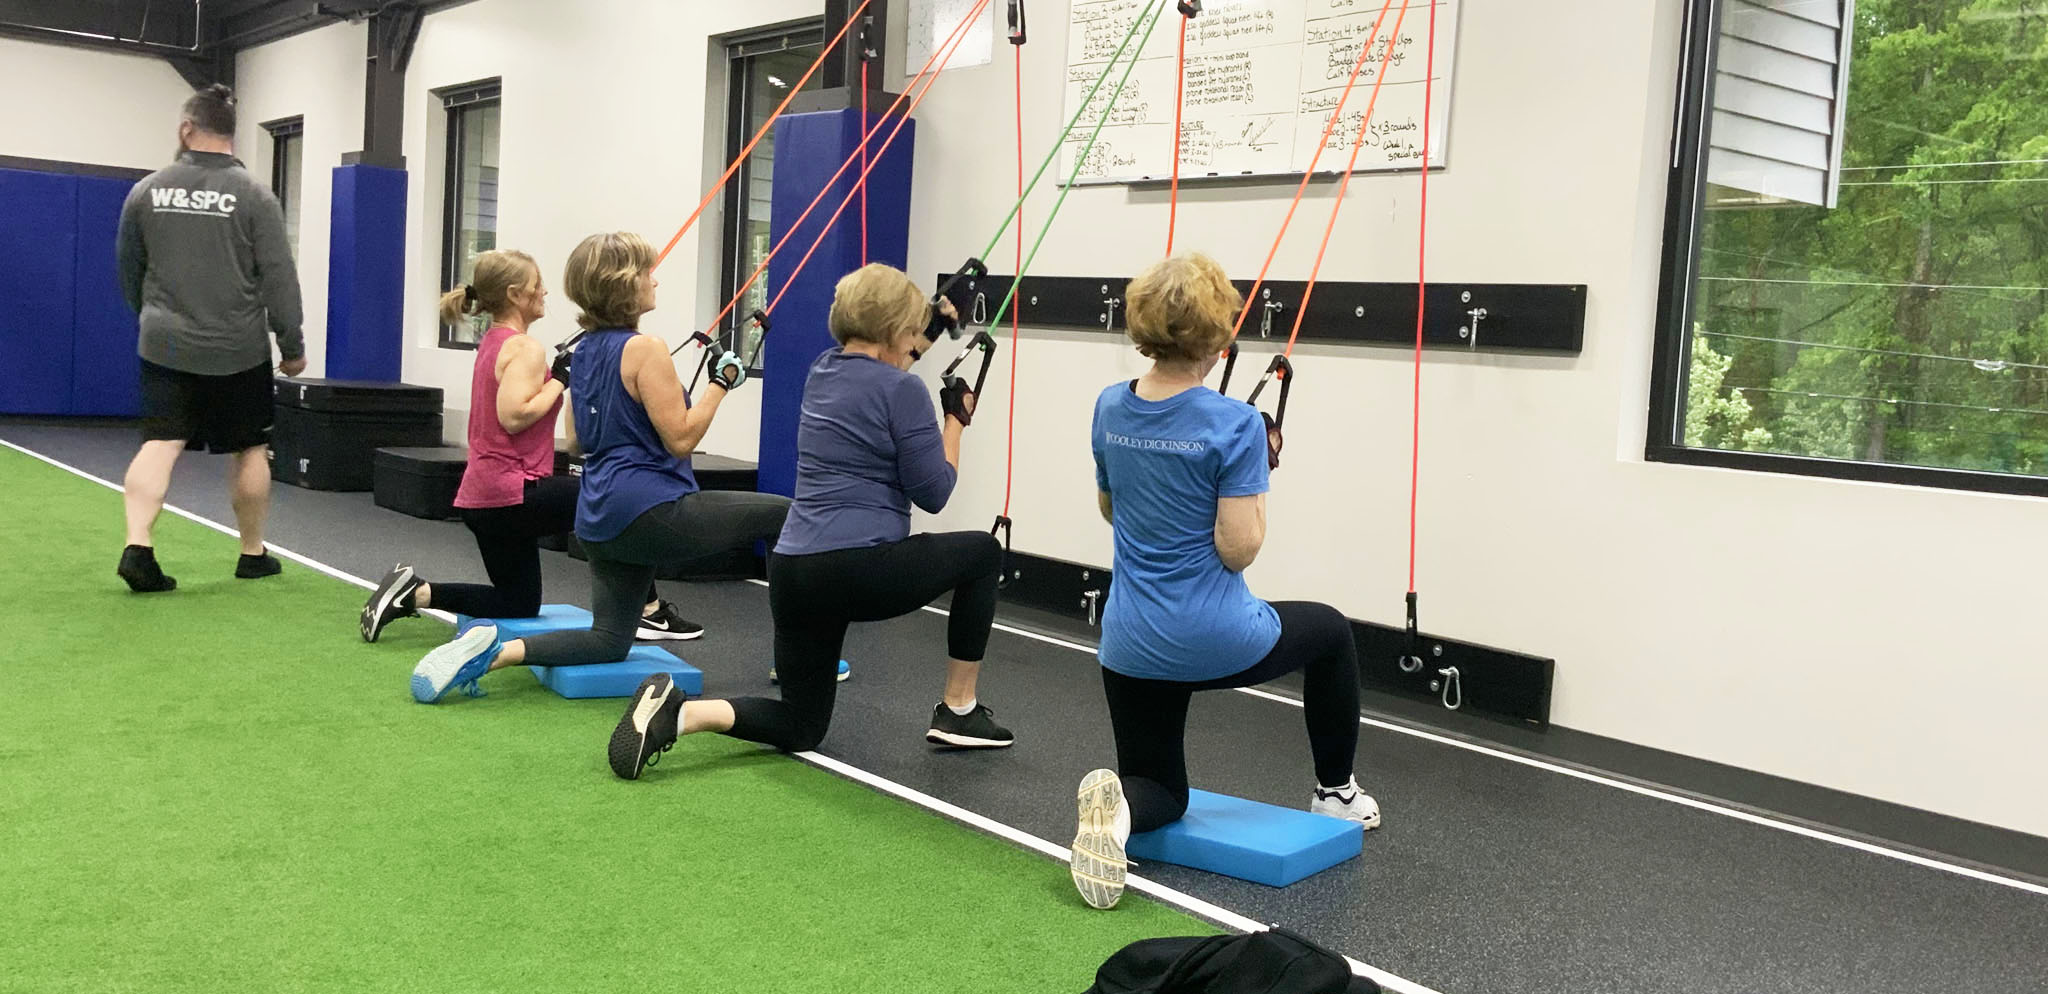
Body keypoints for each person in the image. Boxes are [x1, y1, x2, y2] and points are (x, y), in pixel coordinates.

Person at [601, 263, 1013, 780]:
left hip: (794, 570)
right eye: (910, 330)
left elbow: (884, 374)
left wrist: (928, 327)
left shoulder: (823, 370)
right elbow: (935, 492)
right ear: (893, 331)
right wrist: (956, 421)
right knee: (981, 554)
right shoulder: (903, 393)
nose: (914, 340)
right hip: (860, 571)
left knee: (801, 725)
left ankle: (680, 713)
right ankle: (959, 711)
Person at [1068, 253, 1379, 911]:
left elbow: (1111, 509)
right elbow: (1239, 550)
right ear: (1218, 339)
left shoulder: (1109, 406)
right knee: (1328, 632)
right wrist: (1260, 480)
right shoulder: (1236, 424)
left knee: (1158, 787)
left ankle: (1118, 818)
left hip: (1128, 644)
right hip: (1216, 639)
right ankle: (1337, 793)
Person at [406, 232, 788, 703]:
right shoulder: (646, 349)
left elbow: (579, 440)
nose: (655, 280)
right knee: (785, 514)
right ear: (625, 283)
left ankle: (492, 652)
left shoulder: (582, 352)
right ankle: (797, 659)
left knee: (608, 641)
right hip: (652, 511)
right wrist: (720, 383)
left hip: (598, 519)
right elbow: (683, 437)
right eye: (648, 273)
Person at [357, 249, 698, 644]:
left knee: (517, 600)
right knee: (618, 502)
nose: (545, 293)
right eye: (538, 287)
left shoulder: (495, 341)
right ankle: (649, 610)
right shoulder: (525, 348)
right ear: (517, 294)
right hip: (511, 493)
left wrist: (559, 376)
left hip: (482, 499)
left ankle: (415, 592)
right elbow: (513, 415)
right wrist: (560, 379)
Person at [114, 83, 303, 592]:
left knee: (160, 442)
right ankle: (252, 553)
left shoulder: (146, 190)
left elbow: (129, 268)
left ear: (186, 129)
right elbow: (280, 277)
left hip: (166, 343)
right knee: (249, 449)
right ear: (231, 135)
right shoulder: (257, 196)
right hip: (237, 347)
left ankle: (138, 545)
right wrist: (293, 345)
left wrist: (151, 318)